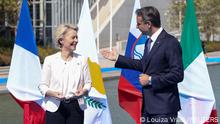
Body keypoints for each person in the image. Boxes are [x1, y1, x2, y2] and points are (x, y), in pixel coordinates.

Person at [101, 6, 184, 124]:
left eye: (139, 24)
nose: (136, 27)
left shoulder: (170, 43)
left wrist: (150, 80)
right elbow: (143, 65)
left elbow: (178, 74)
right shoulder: (148, 42)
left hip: (164, 109)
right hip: (147, 109)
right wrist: (118, 58)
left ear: (148, 24)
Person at [38, 24, 92, 124]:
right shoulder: (50, 60)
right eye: (73, 37)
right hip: (54, 108)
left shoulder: (82, 60)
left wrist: (84, 91)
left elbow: (88, 83)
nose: (76, 40)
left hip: (76, 108)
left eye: (77, 37)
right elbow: (42, 86)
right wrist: (53, 93)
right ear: (61, 40)